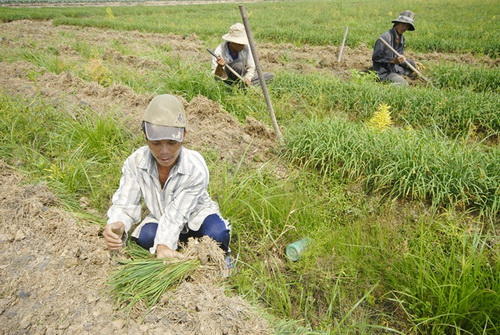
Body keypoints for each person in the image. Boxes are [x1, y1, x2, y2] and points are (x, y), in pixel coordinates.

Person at [103, 94, 231, 262]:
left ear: (183, 135)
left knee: (217, 233)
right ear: (146, 138)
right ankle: (179, 246)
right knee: (145, 238)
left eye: (171, 143)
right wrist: (118, 224)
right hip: (161, 216)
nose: (164, 152)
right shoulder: (136, 162)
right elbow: (125, 203)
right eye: (156, 143)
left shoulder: (195, 168)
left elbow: (177, 214)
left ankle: (221, 256)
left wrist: (163, 244)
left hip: (194, 216)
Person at [211, 22, 274, 87]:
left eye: (243, 44)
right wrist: (219, 67)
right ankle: (235, 87)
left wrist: (248, 78)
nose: (242, 46)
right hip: (227, 80)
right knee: (238, 65)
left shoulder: (246, 48)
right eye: (239, 44)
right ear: (232, 42)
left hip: (243, 76)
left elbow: (251, 67)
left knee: (269, 76)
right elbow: (216, 78)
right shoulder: (220, 50)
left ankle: (242, 86)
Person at [372, 10, 420, 86]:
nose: (404, 28)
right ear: (397, 23)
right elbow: (376, 58)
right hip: (383, 71)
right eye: (403, 24)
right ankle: (381, 88)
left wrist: (412, 63)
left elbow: (400, 57)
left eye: (407, 26)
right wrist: (393, 61)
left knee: (411, 71)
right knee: (404, 84)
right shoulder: (385, 38)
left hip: (394, 68)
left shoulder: (402, 39)